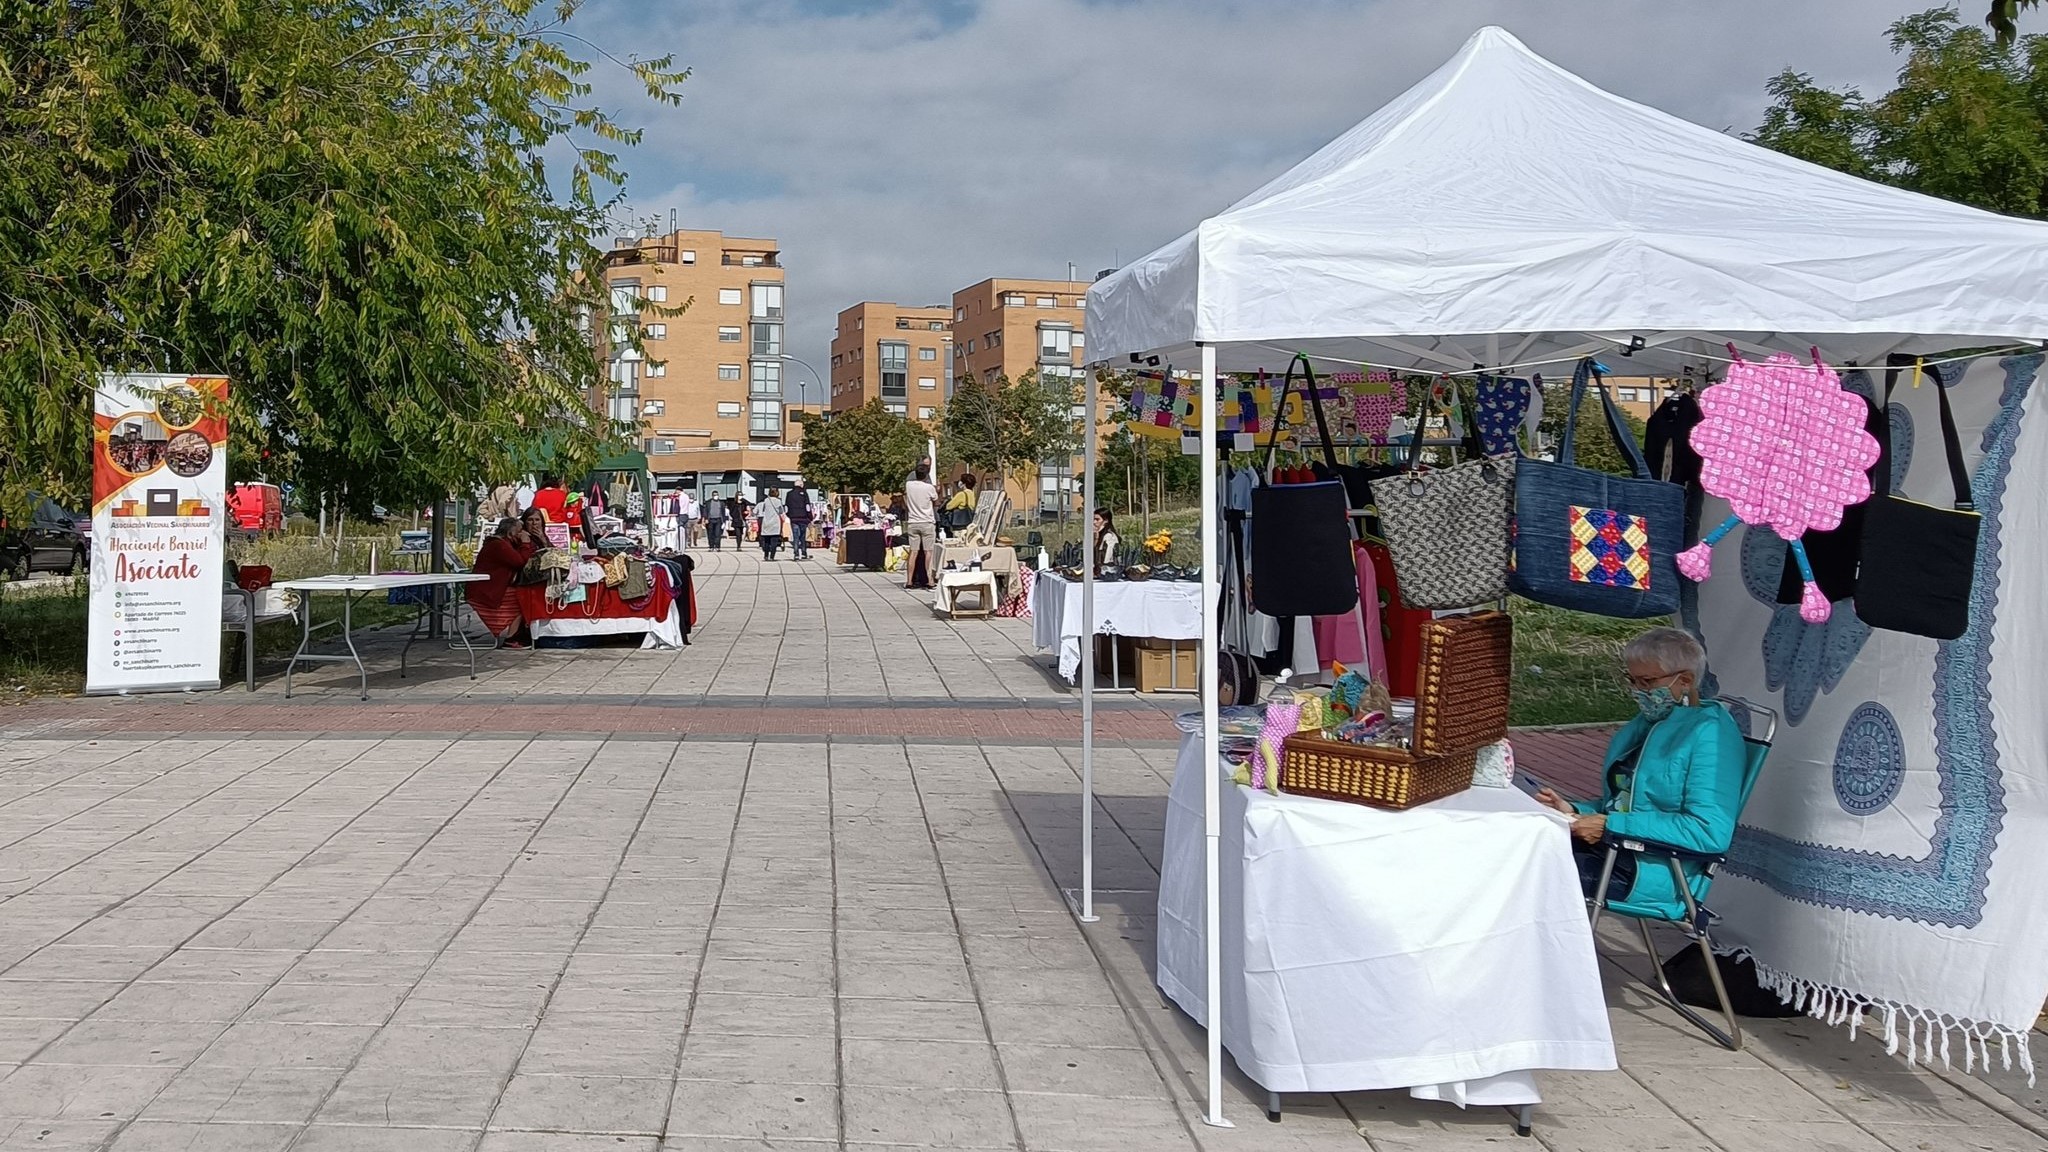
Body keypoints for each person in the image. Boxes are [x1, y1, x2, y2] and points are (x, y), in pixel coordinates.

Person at [1534, 627, 1746, 908]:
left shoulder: (1711, 735)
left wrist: (1610, 825)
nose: (1637, 691)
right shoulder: (1651, 723)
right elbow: (1627, 800)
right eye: (1631, 680)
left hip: (1654, 871)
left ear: (1685, 680)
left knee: (1527, 870)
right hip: (1617, 850)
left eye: (1646, 682)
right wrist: (1576, 810)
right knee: (1521, 848)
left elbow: (1708, 831)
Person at [469, 518, 535, 648]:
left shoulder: (502, 543)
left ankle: (516, 634)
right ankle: (511, 638)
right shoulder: (499, 545)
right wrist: (525, 543)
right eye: (520, 531)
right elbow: (520, 562)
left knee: (524, 595)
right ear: (511, 532)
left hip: (492, 585)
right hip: (487, 589)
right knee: (521, 599)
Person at [903, 462, 939, 590]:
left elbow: (905, 498)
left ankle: (909, 581)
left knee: (913, 552)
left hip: (913, 522)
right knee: (928, 552)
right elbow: (936, 501)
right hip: (927, 521)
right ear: (926, 475)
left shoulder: (909, 485)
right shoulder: (929, 488)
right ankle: (930, 580)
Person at [755, 487, 786, 561]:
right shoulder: (778, 501)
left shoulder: (766, 500)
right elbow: (781, 512)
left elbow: (763, 510)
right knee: (774, 541)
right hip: (775, 523)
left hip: (766, 522)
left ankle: (766, 555)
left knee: (766, 541)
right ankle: (772, 556)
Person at [786, 481, 814, 560]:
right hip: (803, 517)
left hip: (793, 518)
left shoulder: (789, 494)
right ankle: (804, 552)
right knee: (802, 536)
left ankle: (796, 553)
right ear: (801, 485)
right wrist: (810, 516)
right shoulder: (804, 493)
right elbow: (807, 506)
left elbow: (787, 506)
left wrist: (789, 515)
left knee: (795, 536)